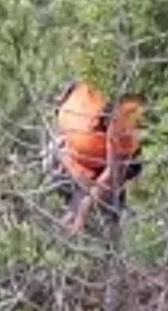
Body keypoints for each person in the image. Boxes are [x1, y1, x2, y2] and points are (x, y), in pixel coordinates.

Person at [52, 77, 145, 228]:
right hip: (69, 163)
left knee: (94, 231)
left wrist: (83, 210)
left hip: (99, 180)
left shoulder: (123, 112)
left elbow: (114, 172)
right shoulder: (89, 78)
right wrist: (64, 156)